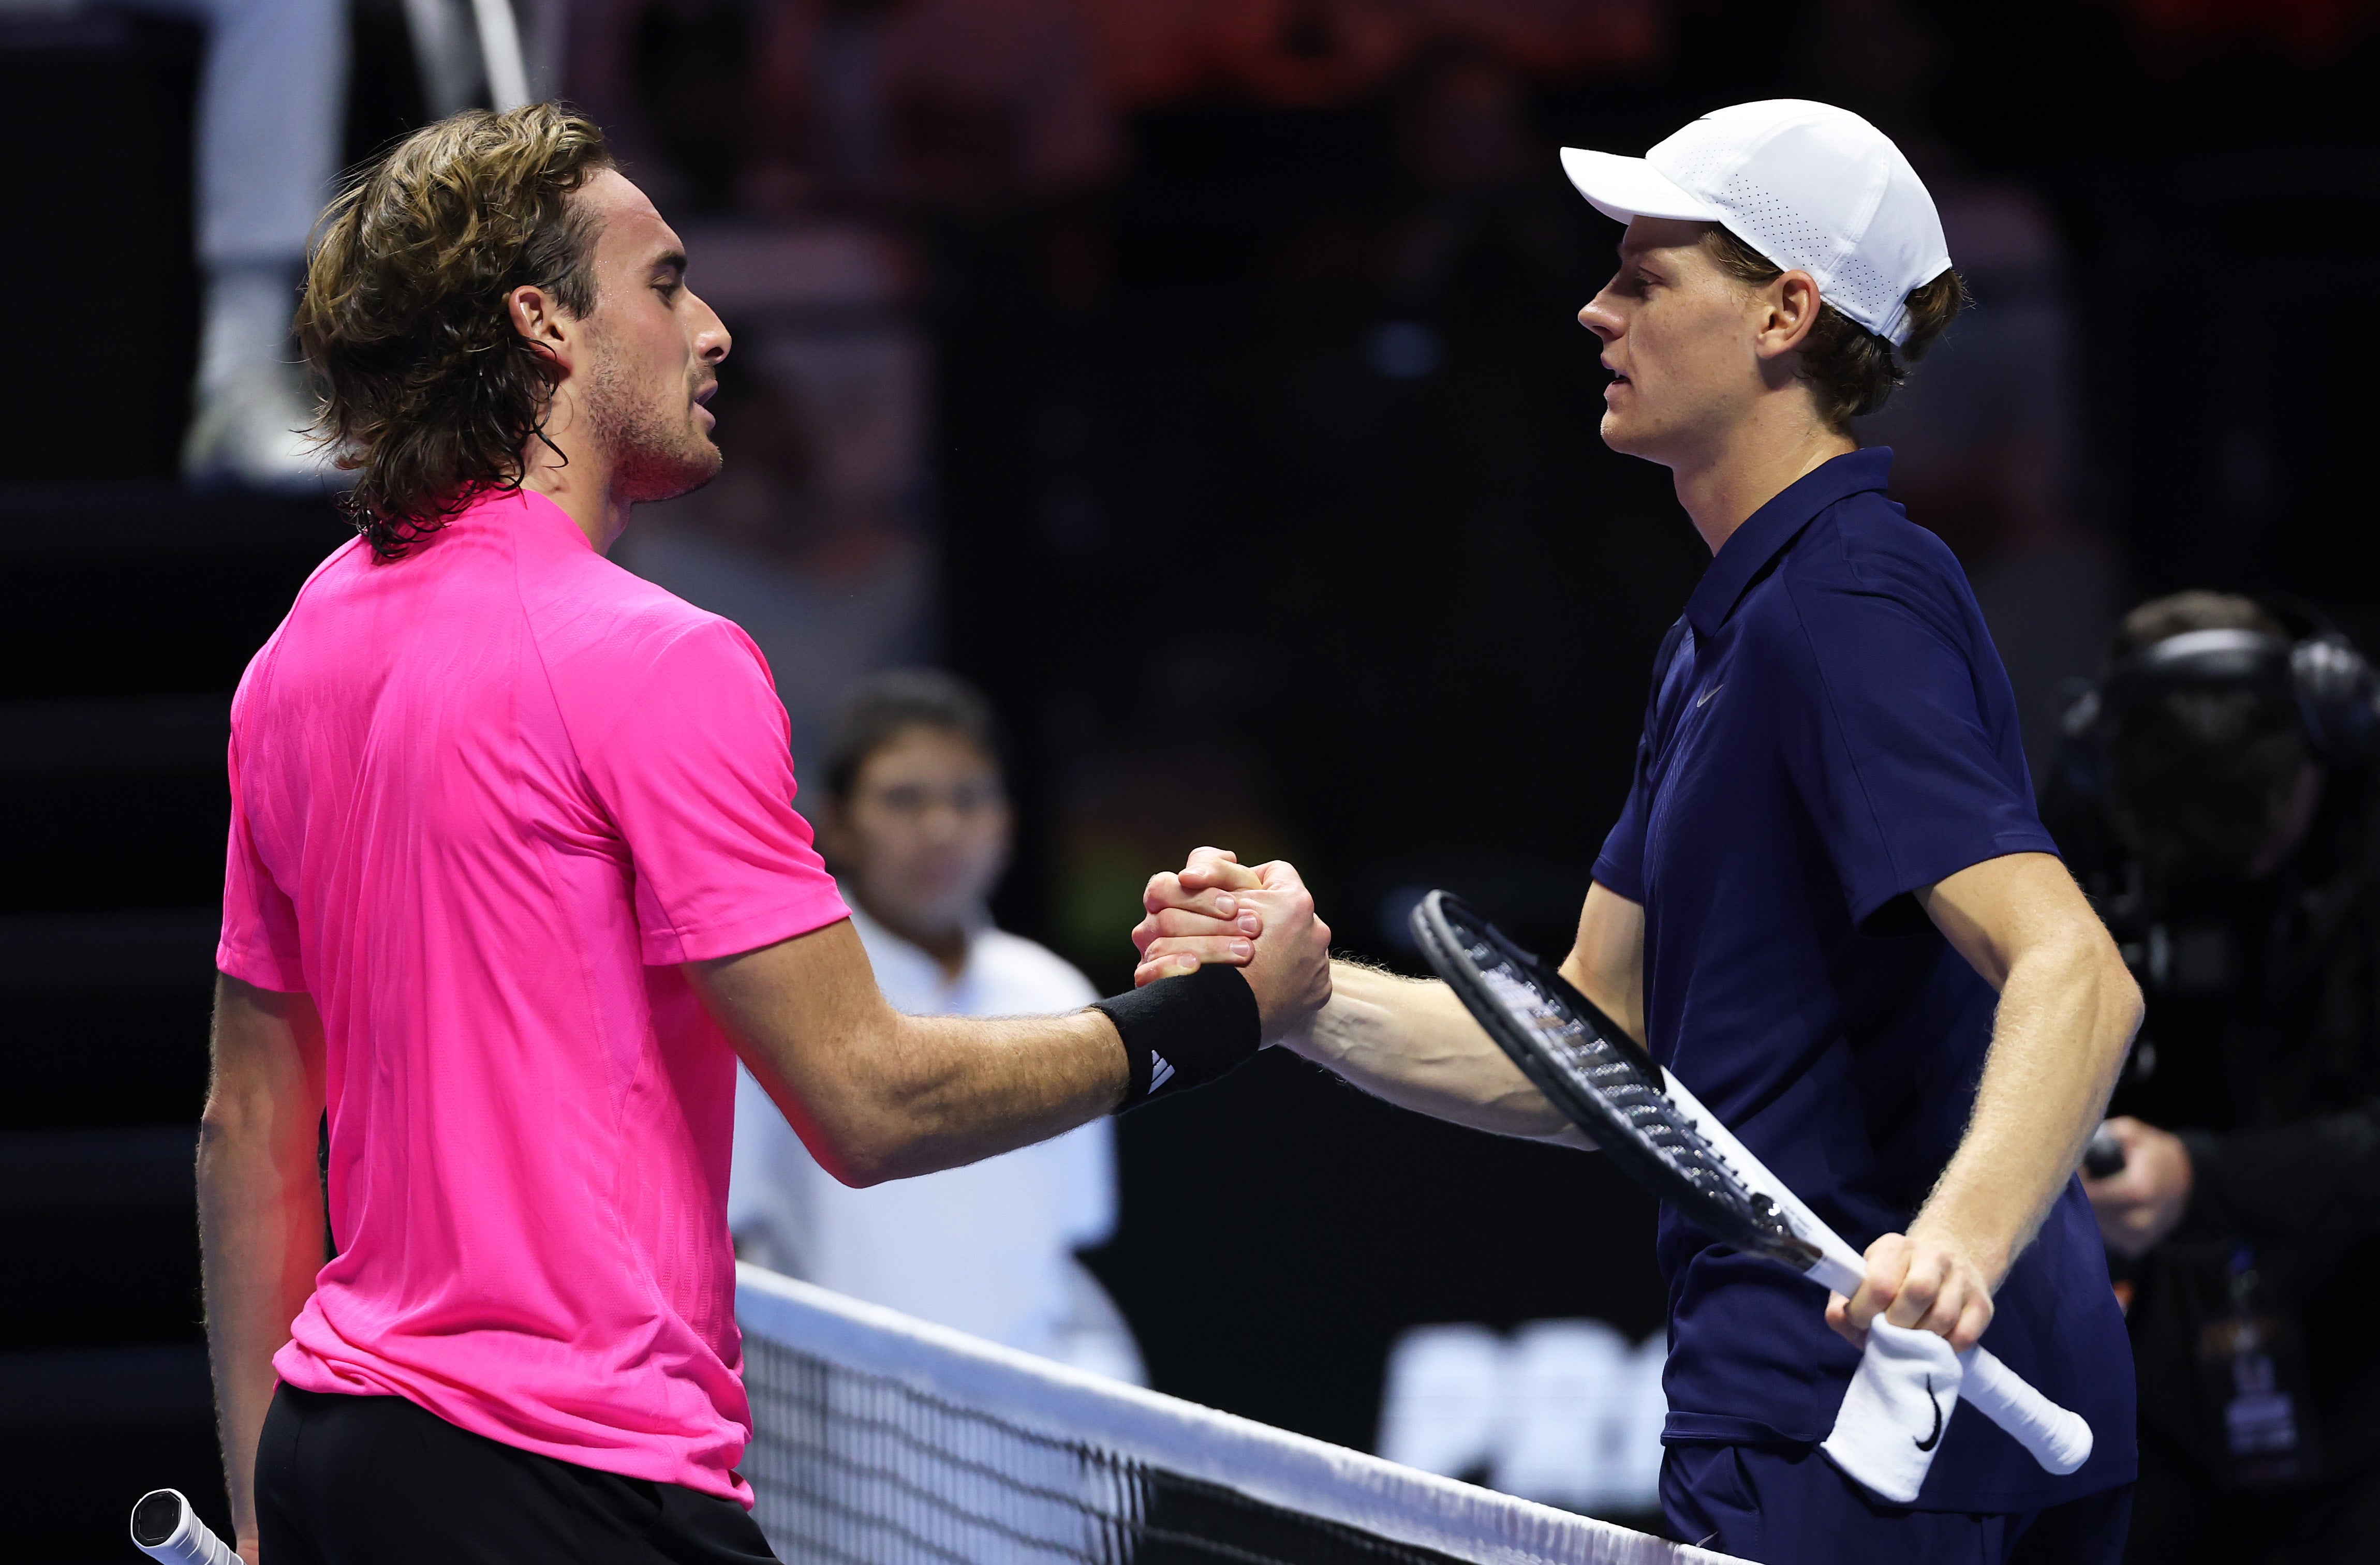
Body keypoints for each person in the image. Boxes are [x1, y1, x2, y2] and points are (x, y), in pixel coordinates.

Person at [197, 103, 1330, 1565]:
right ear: (545, 325)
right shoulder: (659, 658)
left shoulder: (297, 652)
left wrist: (257, 1504)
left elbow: (251, 1126)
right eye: (666, 284)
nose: (717, 329)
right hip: (576, 1478)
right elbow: (871, 1101)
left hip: (334, 1454)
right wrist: (1218, 1019)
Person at [1136, 100, 2142, 1562]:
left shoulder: (1842, 606)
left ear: (1786, 313)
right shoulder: (1730, 630)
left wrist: (1952, 1255)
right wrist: (1303, 995)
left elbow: (2076, 971)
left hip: (1867, 1425)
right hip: (1886, 1420)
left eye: (1647, 277)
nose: (1595, 309)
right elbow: (1597, 1055)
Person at [2046, 592, 2380, 1563]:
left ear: (2326, 737)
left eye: (2259, 826)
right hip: (2162, 1350)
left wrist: (2205, 1179)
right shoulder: (2093, 814)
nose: (2234, 868)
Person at [729, 670, 1143, 1381]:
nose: (942, 828)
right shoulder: (777, 989)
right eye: (904, 798)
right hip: (828, 1449)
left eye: (968, 797)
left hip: (1024, 1442)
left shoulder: (1057, 990)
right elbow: (731, 1233)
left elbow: (1071, 1233)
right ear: (838, 822)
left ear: (1005, 825)